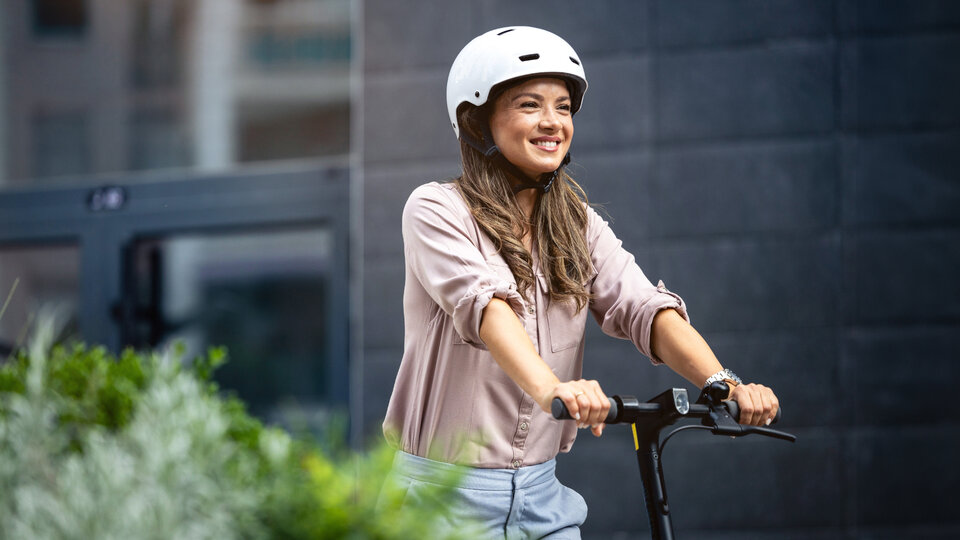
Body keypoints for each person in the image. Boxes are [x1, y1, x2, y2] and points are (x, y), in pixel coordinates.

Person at [381, 26, 779, 538]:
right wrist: (555, 388)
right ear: (477, 121)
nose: (552, 122)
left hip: (544, 496)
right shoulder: (437, 210)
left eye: (563, 107)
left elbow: (643, 308)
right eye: (529, 105)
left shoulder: (577, 223)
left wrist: (722, 383)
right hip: (440, 500)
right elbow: (486, 308)